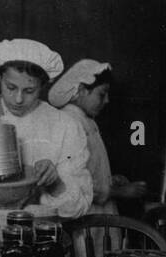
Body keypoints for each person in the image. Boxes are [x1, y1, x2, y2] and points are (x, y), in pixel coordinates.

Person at [0, 39, 93, 218]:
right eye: (11, 87)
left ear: (43, 86)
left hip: (41, 235)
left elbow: (79, 207)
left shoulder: (65, 125)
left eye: (29, 91)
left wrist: (55, 184)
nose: (18, 99)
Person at [48, 59, 148, 214]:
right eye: (102, 94)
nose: (107, 100)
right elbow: (72, 183)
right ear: (81, 90)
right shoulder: (69, 122)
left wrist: (109, 180)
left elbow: (88, 169)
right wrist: (120, 192)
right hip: (84, 216)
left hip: (99, 213)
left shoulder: (86, 120)